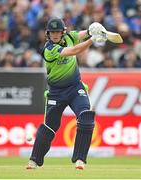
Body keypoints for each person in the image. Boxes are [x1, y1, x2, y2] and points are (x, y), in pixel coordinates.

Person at [26, 17, 107, 170]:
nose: (55, 35)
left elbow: (84, 33)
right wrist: (93, 40)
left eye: (57, 32)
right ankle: (34, 160)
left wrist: (93, 29)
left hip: (75, 88)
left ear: (63, 32)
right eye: (52, 32)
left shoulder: (70, 37)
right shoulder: (49, 49)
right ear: (47, 34)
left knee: (86, 117)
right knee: (50, 127)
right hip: (56, 92)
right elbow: (75, 50)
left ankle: (80, 160)